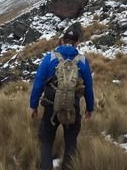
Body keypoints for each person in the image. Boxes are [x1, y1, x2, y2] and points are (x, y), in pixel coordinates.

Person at [30, 23, 94, 170]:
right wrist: (90, 108)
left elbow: (38, 83)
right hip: (72, 106)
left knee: (46, 141)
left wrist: (33, 105)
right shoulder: (82, 61)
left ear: (62, 40)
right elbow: (88, 88)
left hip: (50, 107)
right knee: (71, 142)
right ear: (77, 42)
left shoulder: (49, 58)